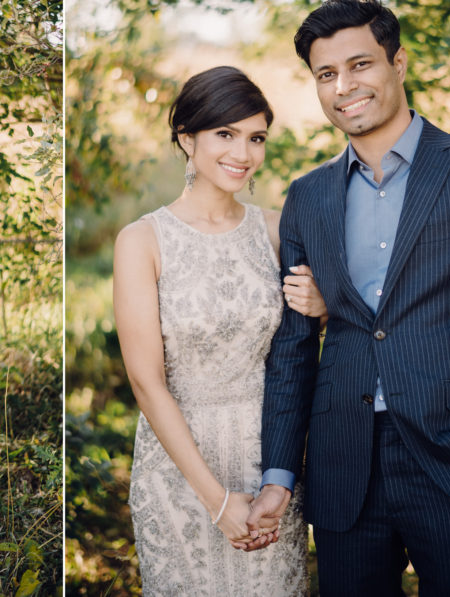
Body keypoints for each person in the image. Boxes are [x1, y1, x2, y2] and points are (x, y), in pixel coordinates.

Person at [247, 0, 450, 596]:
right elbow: (293, 346)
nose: (344, 86)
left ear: (399, 63)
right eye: (326, 74)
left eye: (360, 64)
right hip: (343, 466)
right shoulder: (306, 197)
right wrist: (280, 471)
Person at [112, 66, 328, 596]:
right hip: (181, 470)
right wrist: (217, 500)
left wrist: (326, 306)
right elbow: (146, 383)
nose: (243, 153)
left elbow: (305, 346)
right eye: (225, 134)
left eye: (256, 138)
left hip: (269, 461)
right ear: (187, 138)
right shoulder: (142, 240)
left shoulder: (278, 230)